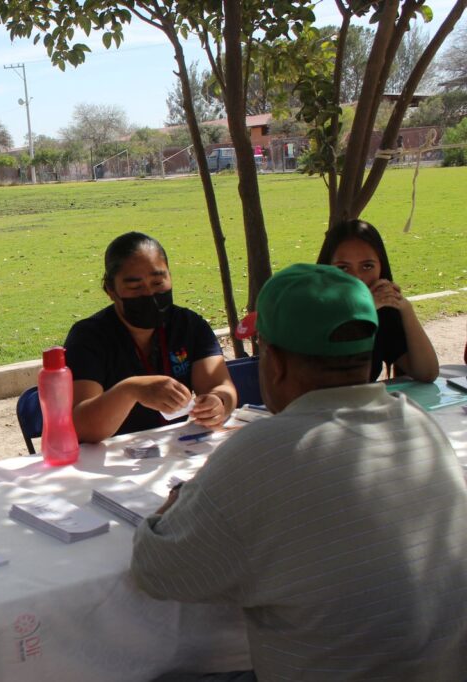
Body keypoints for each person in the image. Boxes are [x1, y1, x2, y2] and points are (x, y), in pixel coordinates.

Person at [132, 264, 467, 680]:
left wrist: (168, 510)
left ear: (275, 363)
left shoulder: (263, 452)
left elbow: (157, 571)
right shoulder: (418, 424)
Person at [64, 232, 237, 442]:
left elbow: (221, 387)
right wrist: (131, 390)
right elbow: (82, 428)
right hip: (111, 457)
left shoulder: (190, 325)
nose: (149, 294)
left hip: (176, 449)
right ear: (110, 289)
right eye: (135, 287)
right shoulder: (88, 337)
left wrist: (217, 402)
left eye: (158, 283)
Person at [317, 219, 439, 382]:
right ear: (326, 268)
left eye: (367, 266)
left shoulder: (381, 311)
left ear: (381, 267)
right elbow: (331, 383)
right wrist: (362, 311)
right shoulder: (312, 310)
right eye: (343, 268)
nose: (357, 278)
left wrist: (404, 308)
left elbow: (427, 372)